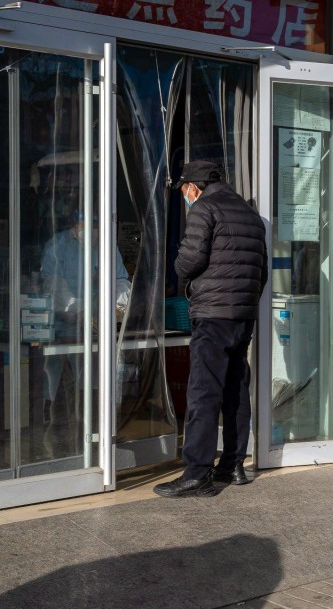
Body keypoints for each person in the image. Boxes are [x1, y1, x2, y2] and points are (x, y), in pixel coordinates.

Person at [154, 160, 267, 497]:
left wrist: (184, 278)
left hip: (213, 314)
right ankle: (232, 465)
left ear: (195, 186)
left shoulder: (205, 209)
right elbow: (260, 271)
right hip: (242, 315)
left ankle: (197, 474)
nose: (184, 195)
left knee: (203, 392)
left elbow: (188, 262)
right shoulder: (250, 214)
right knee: (235, 389)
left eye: (185, 188)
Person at [40, 211, 131, 424]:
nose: (91, 230)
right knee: (52, 369)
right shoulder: (58, 245)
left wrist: (112, 305)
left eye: (96, 225)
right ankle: (48, 413)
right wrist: (76, 309)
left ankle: (88, 418)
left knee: (89, 371)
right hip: (61, 324)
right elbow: (52, 284)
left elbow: (121, 282)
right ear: (74, 223)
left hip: (94, 326)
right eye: (85, 224)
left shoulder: (106, 246)